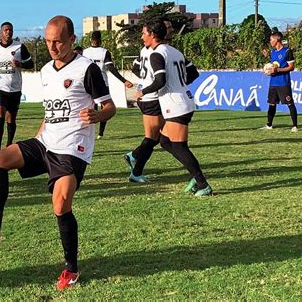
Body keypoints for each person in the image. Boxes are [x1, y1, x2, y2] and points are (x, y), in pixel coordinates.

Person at [0, 16, 116, 290]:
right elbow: (50, 112)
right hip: (46, 141)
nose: (52, 47)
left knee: (60, 205)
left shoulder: (86, 69)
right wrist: (39, 136)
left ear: (72, 40)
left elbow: (110, 107)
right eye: (48, 41)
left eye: (58, 41)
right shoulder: (45, 70)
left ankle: (72, 270)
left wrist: (97, 114)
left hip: (72, 150)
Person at [135, 19, 212, 197]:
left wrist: (142, 92)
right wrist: (180, 85)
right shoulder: (175, 51)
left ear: (153, 35)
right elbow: (193, 73)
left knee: (178, 146)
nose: (142, 37)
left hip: (176, 105)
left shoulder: (156, 54)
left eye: (144, 33)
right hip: (183, 100)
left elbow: (159, 81)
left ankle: (202, 183)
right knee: (165, 141)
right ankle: (196, 177)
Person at [124, 20, 174, 183]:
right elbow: (157, 76)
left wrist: (145, 79)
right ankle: (135, 168)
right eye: (169, 28)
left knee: (157, 137)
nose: (171, 30)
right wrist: (148, 82)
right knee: (153, 138)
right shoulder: (156, 50)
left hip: (151, 96)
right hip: (150, 97)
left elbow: (135, 68)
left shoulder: (149, 49)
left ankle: (135, 157)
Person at [0, 22, 34, 152]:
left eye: (10, 30)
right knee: (0, 116)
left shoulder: (19, 47)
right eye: (6, 30)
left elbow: (30, 63)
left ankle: (8, 146)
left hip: (15, 89)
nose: (8, 32)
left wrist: (20, 64)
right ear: (1, 32)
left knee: (10, 119)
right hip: (0, 88)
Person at [83, 30, 133, 138]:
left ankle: (89, 132)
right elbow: (111, 68)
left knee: (90, 107)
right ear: (100, 40)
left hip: (88, 83)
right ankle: (100, 133)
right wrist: (124, 81)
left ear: (91, 40)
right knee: (105, 108)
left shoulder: (85, 52)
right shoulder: (104, 52)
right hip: (102, 83)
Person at [261, 31, 298, 132]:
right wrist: (268, 70)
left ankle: (295, 126)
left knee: (289, 103)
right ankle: (269, 125)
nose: (270, 42)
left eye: (271, 40)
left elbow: (291, 67)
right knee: (272, 104)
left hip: (283, 83)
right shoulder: (273, 52)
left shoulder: (287, 51)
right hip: (273, 83)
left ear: (277, 39)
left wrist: (277, 70)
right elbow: (273, 65)